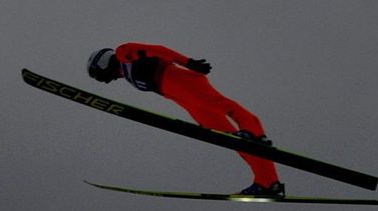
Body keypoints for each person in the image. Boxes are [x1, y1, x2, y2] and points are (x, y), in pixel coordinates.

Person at [87, 43, 285, 198]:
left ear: (102, 62)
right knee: (230, 139)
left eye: (98, 74)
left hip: (180, 80)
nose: (103, 80)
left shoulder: (123, 53)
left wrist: (188, 62)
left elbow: (157, 50)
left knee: (221, 104)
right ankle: (268, 183)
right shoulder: (127, 75)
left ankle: (253, 130)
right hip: (178, 95)